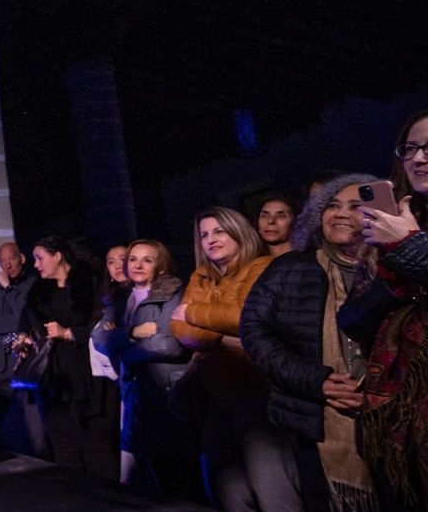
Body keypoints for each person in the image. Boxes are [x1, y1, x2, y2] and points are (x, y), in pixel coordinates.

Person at [241, 174, 380, 511]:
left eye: (355, 206)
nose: (341, 213)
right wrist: (315, 381)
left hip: (390, 422)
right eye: (331, 205)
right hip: (315, 422)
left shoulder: (396, 268)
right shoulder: (290, 268)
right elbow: (255, 332)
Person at [169, 207, 301, 511]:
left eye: (219, 231)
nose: (211, 239)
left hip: (257, 394)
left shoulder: (262, 267)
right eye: (204, 234)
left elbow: (244, 317)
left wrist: (192, 313)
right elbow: (177, 329)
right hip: (214, 395)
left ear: (238, 231)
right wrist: (220, 337)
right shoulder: (200, 276)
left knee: (274, 491)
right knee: (229, 493)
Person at [339, 108, 428, 510]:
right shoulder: (395, 223)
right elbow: (354, 320)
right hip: (397, 413)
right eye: (410, 148)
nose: (419, 158)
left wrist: (409, 246)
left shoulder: (402, 232)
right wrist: (393, 280)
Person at [92, 239, 200, 500]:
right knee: (149, 478)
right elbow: (100, 340)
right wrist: (133, 331)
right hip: (136, 393)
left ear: (160, 267)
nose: (137, 265)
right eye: (133, 259)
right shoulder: (119, 298)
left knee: (179, 476)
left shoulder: (172, 293)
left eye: (147, 260)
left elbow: (168, 345)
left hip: (166, 392)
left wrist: (123, 348)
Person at [14, 237, 118, 481]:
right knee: (63, 447)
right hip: (55, 376)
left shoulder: (90, 284)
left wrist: (70, 333)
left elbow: (105, 324)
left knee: (96, 447)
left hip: (88, 372)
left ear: (58, 256)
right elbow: (25, 323)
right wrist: (22, 338)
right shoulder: (39, 291)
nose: (36, 265)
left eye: (40, 257)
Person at [0, 241, 40, 453]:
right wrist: (16, 320)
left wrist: (9, 288)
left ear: (21, 258)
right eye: (2, 261)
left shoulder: (34, 286)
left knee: (32, 427)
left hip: (26, 363)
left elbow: (29, 316)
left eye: (11, 259)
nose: (7, 265)